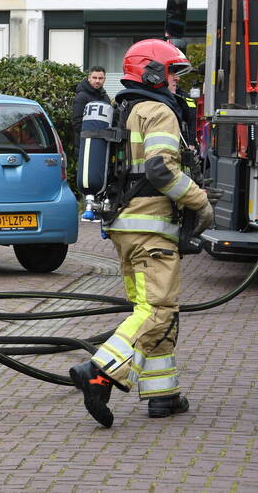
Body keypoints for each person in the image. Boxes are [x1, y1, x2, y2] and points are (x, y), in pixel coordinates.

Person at [69, 39, 213, 428]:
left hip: (124, 228)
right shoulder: (158, 112)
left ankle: (161, 395)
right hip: (151, 229)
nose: (176, 83)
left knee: (148, 309)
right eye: (172, 73)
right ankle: (99, 373)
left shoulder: (124, 109)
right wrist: (201, 203)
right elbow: (161, 171)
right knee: (159, 309)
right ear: (151, 73)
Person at [71, 66, 110, 140]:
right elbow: (77, 123)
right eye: (94, 78)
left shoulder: (105, 97)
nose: (97, 81)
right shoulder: (81, 96)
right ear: (89, 78)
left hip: (101, 142)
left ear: (104, 79)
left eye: (100, 78)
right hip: (84, 144)